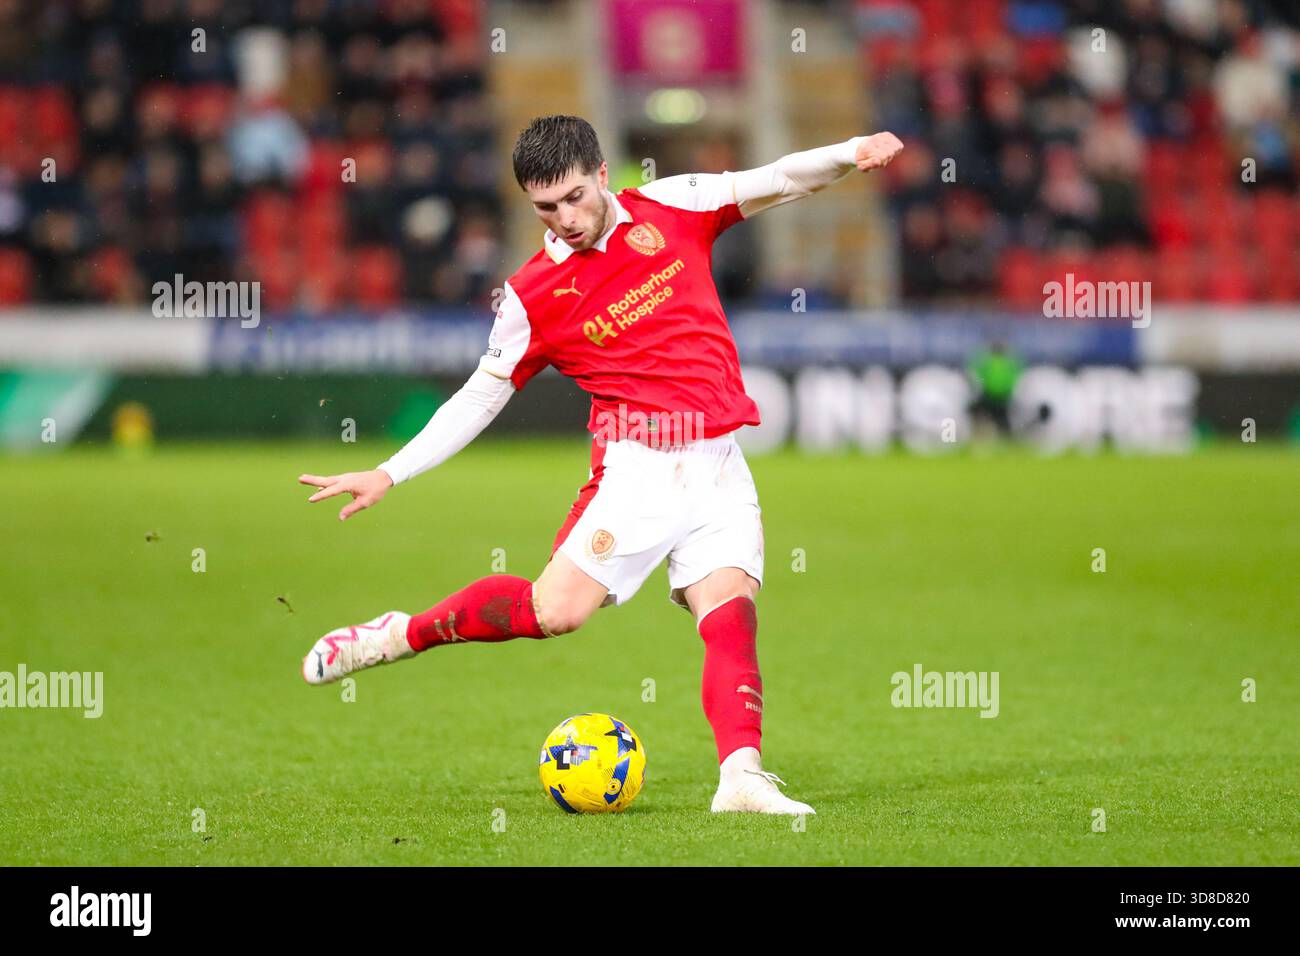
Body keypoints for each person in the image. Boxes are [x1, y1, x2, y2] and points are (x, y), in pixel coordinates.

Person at [298, 115, 903, 814]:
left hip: (716, 458)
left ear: (605, 176)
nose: (565, 220)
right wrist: (390, 471)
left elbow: (774, 181)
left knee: (730, 609)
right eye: (545, 209)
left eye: (575, 198)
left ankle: (741, 777)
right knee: (554, 613)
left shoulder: (675, 205)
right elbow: (478, 398)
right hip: (636, 469)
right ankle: (398, 635)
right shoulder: (532, 296)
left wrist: (851, 153)